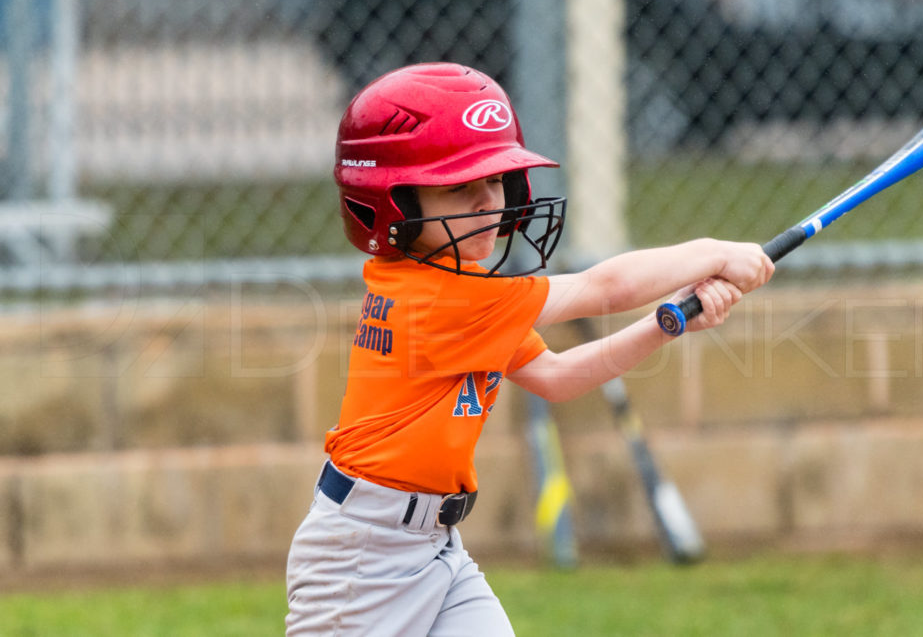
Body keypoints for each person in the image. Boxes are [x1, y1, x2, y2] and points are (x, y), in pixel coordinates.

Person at [285, 62, 774, 635]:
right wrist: (715, 252)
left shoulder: (459, 294)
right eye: (460, 186)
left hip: (432, 547)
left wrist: (667, 325)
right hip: (363, 562)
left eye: (497, 181)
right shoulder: (442, 300)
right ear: (395, 205)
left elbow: (557, 376)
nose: (488, 201)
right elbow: (604, 287)